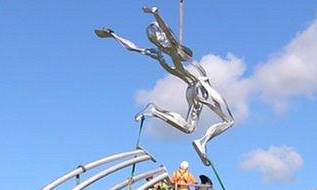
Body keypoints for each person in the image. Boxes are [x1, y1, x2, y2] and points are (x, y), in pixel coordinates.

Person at [95, 6, 234, 166]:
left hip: (190, 90)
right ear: (160, 36)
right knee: (228, 120)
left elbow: (133, 47)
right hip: (200, 85)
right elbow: (167, 30)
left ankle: (154, 110)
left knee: (188, 128)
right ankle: (202, 143)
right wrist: (156, 13)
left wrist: (113, 35)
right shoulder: (174, 47)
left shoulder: (157, 53)